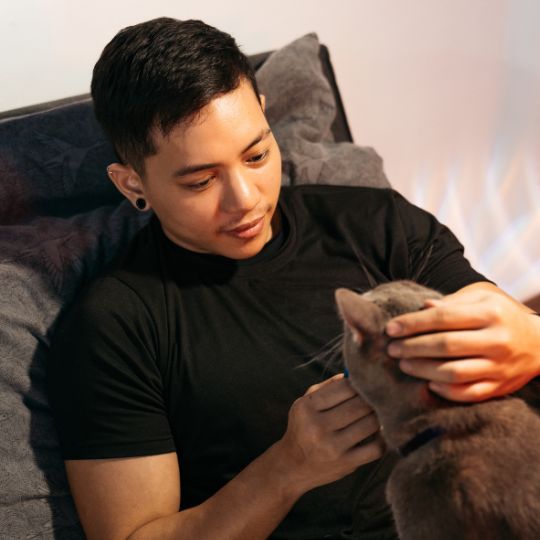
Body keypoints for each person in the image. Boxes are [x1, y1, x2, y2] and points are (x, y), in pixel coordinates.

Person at [47, 17, 540, 540]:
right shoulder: (116, 326)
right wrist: (288, 467)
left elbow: (494, 317)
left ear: (264, 110)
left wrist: (529, 338)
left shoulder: (375, 224)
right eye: (200, 181)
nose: (247, 199)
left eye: (257, 154)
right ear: (131, 184)